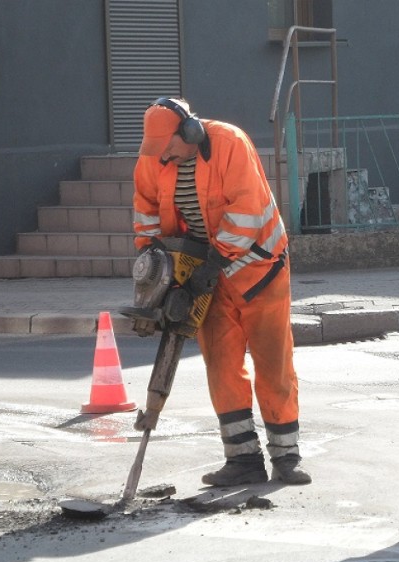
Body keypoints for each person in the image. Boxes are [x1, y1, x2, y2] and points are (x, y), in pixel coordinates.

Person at [131, 97, 311, 487]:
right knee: (222, 364)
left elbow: (247, 213)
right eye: (159, 152)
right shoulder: (155, 156)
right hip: (202, 273)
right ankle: (242, 458)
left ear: (190, 131)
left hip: (258, 268)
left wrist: (211, 267)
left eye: (171, 149)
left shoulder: (231, 143)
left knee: (273, 363)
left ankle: (286, 456)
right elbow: (145, 212)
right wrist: (157, 270)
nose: (165, 158)